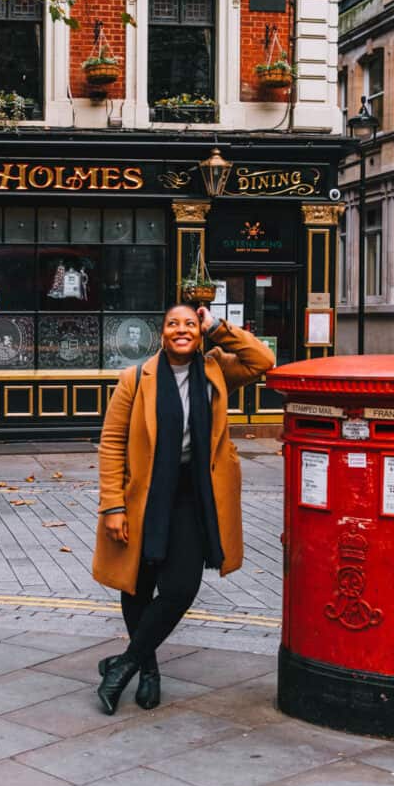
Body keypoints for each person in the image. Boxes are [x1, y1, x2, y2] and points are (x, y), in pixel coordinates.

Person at [92, 303, 275, 714]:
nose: (182, 330)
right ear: (162, 333)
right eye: (173, 324)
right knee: (136, 583)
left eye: (190, 324)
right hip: (144, 494)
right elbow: (111, 444)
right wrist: (112, 506)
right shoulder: (135, 379)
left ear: (199, 331)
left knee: (179, 588)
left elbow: (263, 360)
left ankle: (121, 667)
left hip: (195, 494)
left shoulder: (215, 370)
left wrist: (218, 328)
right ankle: (148, 671)